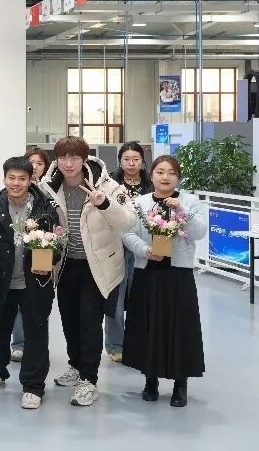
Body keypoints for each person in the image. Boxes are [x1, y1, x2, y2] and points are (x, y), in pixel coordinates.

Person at [38, 136, 136, 407]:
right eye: (63, 158)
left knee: (90, 322)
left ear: (84, 159)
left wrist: (104, 203)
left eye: (74, 158)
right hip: (65, 264)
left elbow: (128, 222)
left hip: (97, 265)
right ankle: (76, 365)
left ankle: (89, 380)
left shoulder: (107, 185)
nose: (68, 164)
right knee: (69, 320)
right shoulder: (49, 186)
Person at [0, 157, 60, 410]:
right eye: (11, 178)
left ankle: (33, 386)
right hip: (2, 281)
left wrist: (49, 256)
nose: (16, 183)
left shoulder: (45, 209)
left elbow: (57, 243)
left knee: (36, 332)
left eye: (22, 178)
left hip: (36, 282)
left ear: (31, 180)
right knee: (1, 326)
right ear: (4, 179)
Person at [121, 156, 208, 408]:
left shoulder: (189, 201)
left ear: (178, 177)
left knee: (180, 327)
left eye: (171, 172)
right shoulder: (140, 203)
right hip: (147, 272)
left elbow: (200, 232)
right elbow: (126, 232)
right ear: (151, 175)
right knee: (148, 326)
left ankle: (181, 384)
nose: (165, 177)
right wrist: (145, 250)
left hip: (178, 275)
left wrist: (181, 210)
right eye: (160, 172)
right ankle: (150, 380)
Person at [106, 142, 153, 362]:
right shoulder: (109, 184)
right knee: (115, 295)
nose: (131, 163)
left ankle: (137, 343)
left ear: (142, 161)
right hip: (114, 244)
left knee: (140, 294)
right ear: (120, 161)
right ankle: (115, 345)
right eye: (126, 159)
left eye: (135, 159)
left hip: (142, 245)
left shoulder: (151, 185)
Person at [10, 147, 52, 362]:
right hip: (15, 259)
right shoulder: (13, 191)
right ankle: (18, 344)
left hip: (39, 262)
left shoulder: (48, 192)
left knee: (37, 307)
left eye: (40, 163)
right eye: (31, 162)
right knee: (16, 305)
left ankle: (35, 347)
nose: (35, 167)